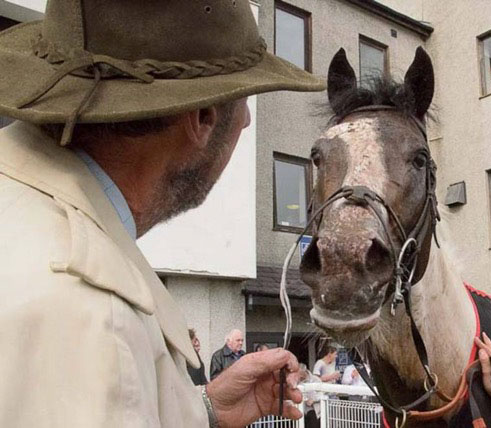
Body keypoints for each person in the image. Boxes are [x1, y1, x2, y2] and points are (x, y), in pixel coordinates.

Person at [0, 0, 325, 426]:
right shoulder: (92, 317)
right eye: (241, 99)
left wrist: (203, 408)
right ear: (204, 117)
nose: (245, 121)